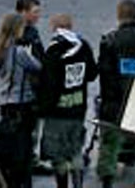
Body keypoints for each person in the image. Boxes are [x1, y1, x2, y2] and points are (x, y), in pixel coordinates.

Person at [95, 0, 135, 188]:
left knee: (109, 147)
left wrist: (107, 102)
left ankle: (107, 182)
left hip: (115, 105)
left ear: (119, 15)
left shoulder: (109, 40)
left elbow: (105, 74)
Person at [36, 13, 98, 188]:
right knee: (75, 149)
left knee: (59, 155)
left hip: (58, 114)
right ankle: (78, 184)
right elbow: (92, 74)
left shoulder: (54, 50)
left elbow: (49, 85)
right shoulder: (83, 45)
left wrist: (42, 109)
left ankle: (62, 185)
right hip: (78, 110)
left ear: (54, 28)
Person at [0, 8, 44, 185]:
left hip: (5, 102)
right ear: (17, 29)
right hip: (22, 103)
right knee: (23, 148)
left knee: (9, 142)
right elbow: (39, 67)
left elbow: (0, 73)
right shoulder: (20, 52)